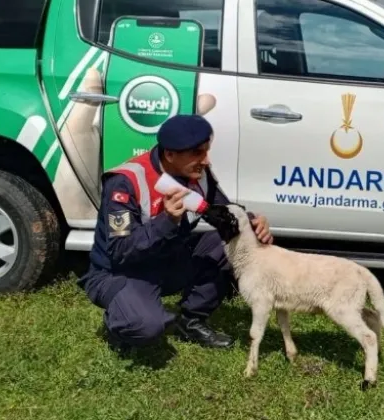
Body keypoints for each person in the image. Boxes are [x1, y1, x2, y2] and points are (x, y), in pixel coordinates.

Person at [77, 114, 274, 352]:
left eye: (207, 151)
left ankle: (191, 321)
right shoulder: (124, 182)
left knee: (235, 239)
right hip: (120, 272)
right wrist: (167, 221)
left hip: (166, 261)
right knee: (147, 326)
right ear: (170, 155)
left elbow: (222, 213)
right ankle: (121, 320)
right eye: (198, 153)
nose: (206, 160)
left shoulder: (197, 174)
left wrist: (252, 222)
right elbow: (121, 252)